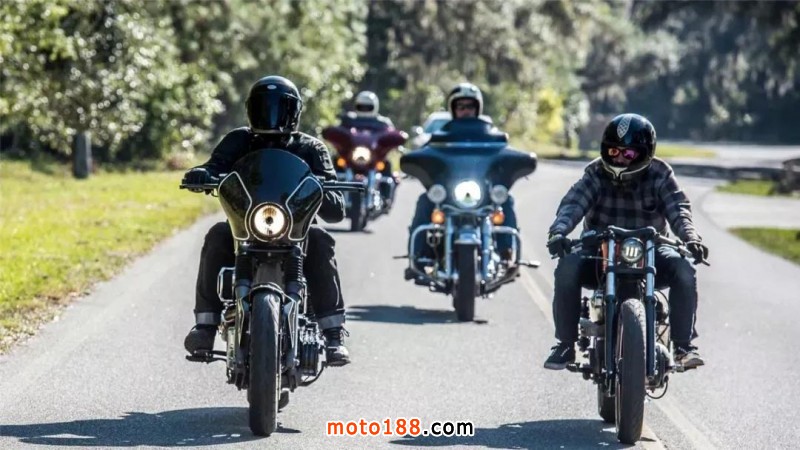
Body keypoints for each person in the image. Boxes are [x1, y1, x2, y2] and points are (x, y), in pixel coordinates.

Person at [181, 75, 351, 366]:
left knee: (321, 239)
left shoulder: (311, 148)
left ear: (294, 111)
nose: (271, 114)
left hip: (295, 231)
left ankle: (333, 334)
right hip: (246, 228)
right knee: (217, 234)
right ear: (251, 109)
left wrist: (326, 190)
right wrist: (202, 174)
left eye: (280, 107)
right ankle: (205, 327)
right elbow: (214, 166)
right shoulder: (238, 141)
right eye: (263, 106)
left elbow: (336, 207)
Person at [542, 113, 709, 371]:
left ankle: (683, 346)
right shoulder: (596, 172)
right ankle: (565, 344)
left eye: (629, 154)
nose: (619, 158)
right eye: (614, 151)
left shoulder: (660, 174)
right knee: (567, 267)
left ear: (645, 153)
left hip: (652, 248)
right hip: (599, 249)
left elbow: (679, 209)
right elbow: (573, 203)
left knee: (684, 270)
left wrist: (691, 238)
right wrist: (558, 232)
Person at [404, 82, 519, 278]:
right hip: (449, 191)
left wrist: (515, 161)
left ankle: (507, 255)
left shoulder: (490, 135)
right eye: (460, 106)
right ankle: (418, 257)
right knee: (425, 201)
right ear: (453, 108)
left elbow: (504, 152)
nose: (465, 110)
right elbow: (427, 152)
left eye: (470, 106)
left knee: (505, 201)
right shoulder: (442, 135)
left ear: (477, 108)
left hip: (481, 191)